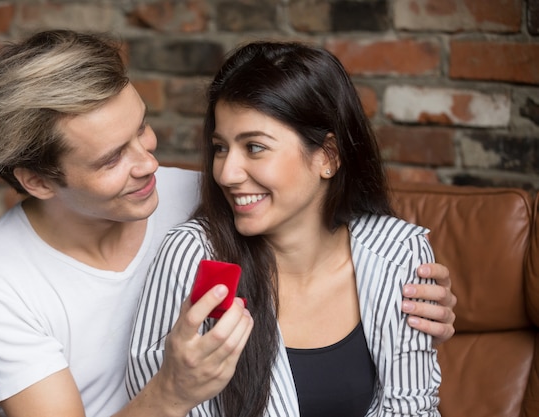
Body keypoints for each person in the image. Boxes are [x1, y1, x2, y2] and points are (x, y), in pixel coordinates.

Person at [0, 30, 453, 417]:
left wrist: (414, 296)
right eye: (110, 160)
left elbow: (333, 225)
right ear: (38, 181)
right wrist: (170, 391)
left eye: (142, 129)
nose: (150, 165)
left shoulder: (221, 197)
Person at [126, 41, 443, 416]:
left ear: (327, 156)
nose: (226, 173)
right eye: (221, 148)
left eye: (255, 147)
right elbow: (157, 401)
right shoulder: (194, 256)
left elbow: (413, 409)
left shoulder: (400, 254)